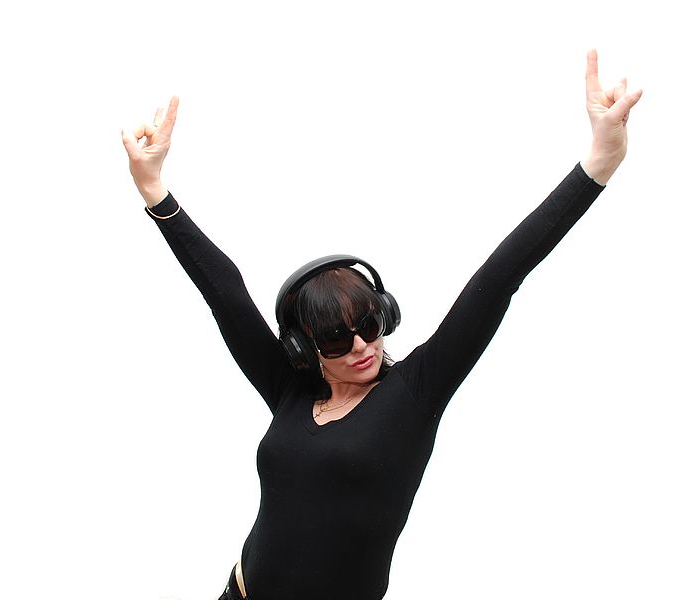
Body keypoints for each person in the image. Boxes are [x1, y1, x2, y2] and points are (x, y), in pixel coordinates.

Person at [121, 49, 642, 600]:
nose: (361, 345)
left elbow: (504, 272)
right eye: (335, 337)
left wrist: (598, 165)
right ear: (303, 346)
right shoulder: (290, 390)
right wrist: (155, 189)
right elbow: (223, 291)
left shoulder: (416, 390)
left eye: (369, 324)